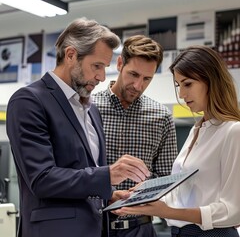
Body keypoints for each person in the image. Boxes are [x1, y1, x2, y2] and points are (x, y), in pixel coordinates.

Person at [6, 18, 151, 237]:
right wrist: (107, 175)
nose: (102, 77)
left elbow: (83, 173)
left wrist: (108, 196)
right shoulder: (29, 101)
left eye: (104, 68)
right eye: (97, 66)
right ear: (71, 55)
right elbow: (42, 178)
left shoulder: (90, 110)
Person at [116, 45, 240, 237]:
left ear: (211, 80)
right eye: (178, 85)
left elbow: (233, 210)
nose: (182, 94)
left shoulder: (233, 131)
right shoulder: (197, 129)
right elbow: (184, 192)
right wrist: (148, 191)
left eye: (188, 84)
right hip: (181, 233)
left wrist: (166, 212)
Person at [93, 35, 178, 237]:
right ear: (120, 63)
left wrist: (140, 194)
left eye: (147, 78)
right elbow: (77, 169)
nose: (138, 85)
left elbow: (167, 178)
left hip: (140, 229)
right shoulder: (88, 109)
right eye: (133, 74)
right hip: (93, 226)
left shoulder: (161, 117)